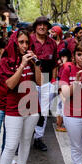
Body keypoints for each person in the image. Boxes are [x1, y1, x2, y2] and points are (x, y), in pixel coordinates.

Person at [0, 30, 42, 164]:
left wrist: (36, 64)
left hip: (31, 107)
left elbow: (40, 82)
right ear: (14, 43)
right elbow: (9, 85)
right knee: (10, 145)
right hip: (14, 108)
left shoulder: (31, 60)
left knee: (26, 142)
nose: (24, 46)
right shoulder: (6, 61)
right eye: (21, 42)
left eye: (26, 42)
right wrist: (22, 65)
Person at [31, 16, 58, 152]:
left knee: (43, 111)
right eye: (39, 25)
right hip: (30, 79)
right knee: (28, 110)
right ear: (35, 27)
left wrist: (53, 81)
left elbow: (54, 64)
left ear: (48, 27)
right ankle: (23, 138)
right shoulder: (29, 40)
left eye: (44, 25)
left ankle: (38, 137)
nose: (42, 27)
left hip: (47, 79)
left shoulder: (53, 43)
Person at [56, 47, 72, 132]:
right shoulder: (64, 66)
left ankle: (60, 125)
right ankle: (59, 125)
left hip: (64, 88)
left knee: (61, 107)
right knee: (62, 107)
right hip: (62, 88)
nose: (62, 58)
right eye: (61, 56)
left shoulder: (65, 65)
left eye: (64, 56)